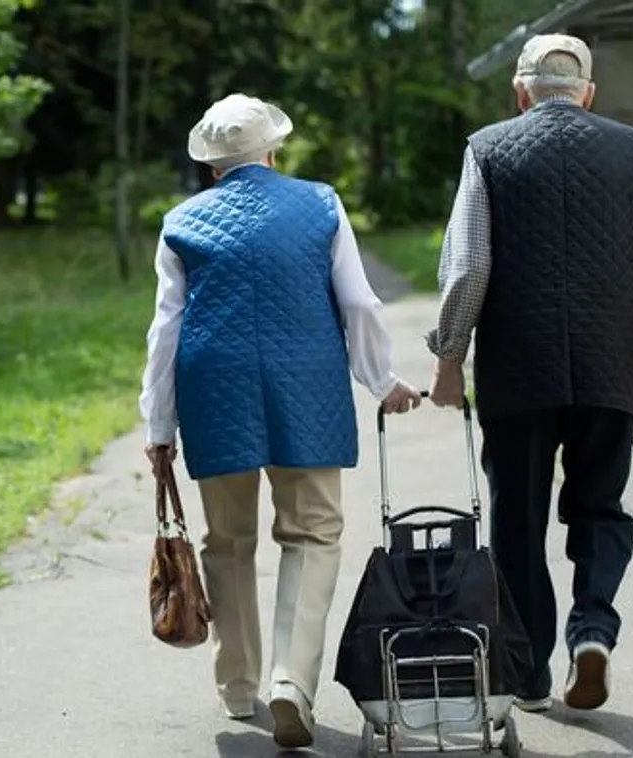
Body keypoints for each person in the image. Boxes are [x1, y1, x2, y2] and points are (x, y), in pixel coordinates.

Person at [138, 93, 423, 749]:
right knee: (313, 533)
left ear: (213, 166)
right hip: (307, 390)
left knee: (227, 542)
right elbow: (357, 302)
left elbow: (166, 331)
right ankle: (291, 680)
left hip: (216, 389)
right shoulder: (320, 203)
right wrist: (381, 382)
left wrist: (158, 428)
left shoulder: (182, 221)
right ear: (272, 152)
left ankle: (238, 687)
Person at [424, 35, 633, 714]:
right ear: (588, 93)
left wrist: (449, 354)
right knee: (599, 507)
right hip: (610, 362)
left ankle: (528, 673)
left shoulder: (486, 148)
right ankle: (591, 632)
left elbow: (468, 265)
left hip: (518, 370)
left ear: (519, 92)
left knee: (517, 521)